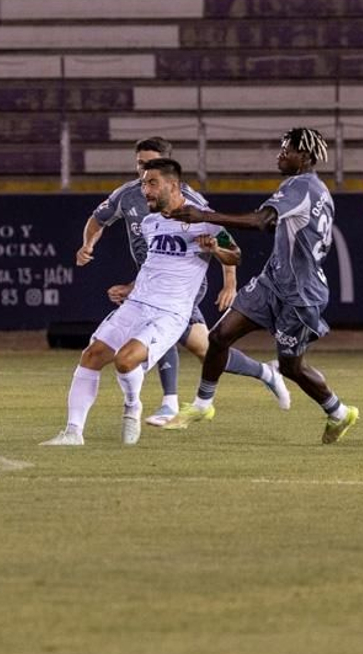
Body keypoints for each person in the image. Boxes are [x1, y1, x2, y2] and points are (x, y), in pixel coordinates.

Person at [162, 129, 359, 444]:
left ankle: (339, 412)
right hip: (273, 281)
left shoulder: (300, 186)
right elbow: (278, 226)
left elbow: (259, 221)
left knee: (291, 367)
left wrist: (203, 215)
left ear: (305, 156)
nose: (279, 155)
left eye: (286, 150)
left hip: (300, 293)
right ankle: (202, 405)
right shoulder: (317, 189)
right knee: (219, 336)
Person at [77, 137, 289, 427]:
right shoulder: (128, 195)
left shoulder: (193, 205)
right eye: (139, 164)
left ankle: (169, 403)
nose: (142, 171)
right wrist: (88, 245)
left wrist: (229, 283)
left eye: (150, 166)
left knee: (160, 329)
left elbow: (224, 240)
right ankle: (266, 373)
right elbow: (98, 219)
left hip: (181, 287)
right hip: (151, 283)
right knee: (205, 347)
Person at [43, 159, 240, 447]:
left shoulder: (205, 220)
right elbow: (153, 266)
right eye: (144, 183)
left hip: (170, 313)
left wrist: (217, 250)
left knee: (125, 359)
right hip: (137, 304)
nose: (145, 189)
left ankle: (132, 405)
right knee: (92, 355)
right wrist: (130, 288)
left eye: (152, 183)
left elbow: (235, 254)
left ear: (172, 185)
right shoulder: (150, 223)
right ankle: (73, 432)